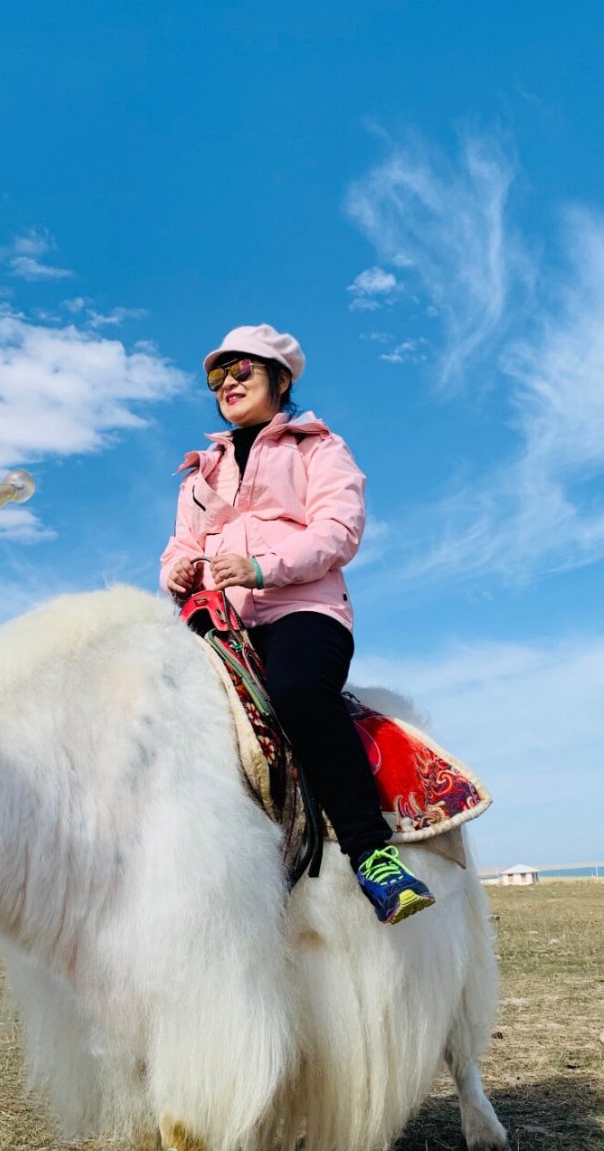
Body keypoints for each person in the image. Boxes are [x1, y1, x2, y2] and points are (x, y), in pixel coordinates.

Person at [159, 323, 435, 925]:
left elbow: (339, 531)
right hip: (221, 621)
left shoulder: (318, 448)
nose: (227, 383)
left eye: (242, 370)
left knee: (298, 692)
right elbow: (179, 546)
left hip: (302, 610)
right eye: (217, 375)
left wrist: (261, 568)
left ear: (280, 380)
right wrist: (176, 571)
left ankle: (372, 853)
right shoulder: (200, 472)